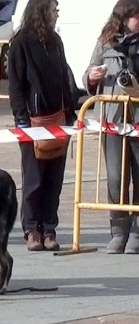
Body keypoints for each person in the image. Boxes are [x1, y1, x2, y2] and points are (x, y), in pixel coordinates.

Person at [8, 0, 75, 251]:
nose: (57, 14)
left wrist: (70, 112)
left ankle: (49, 229)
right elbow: (15, 85)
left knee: (54, 179)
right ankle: (31, 229)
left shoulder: (56, 42)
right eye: (54, 9)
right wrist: (21, 118)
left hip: (58, 120)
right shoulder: (21, 42)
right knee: (34, 179)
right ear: (42, 11)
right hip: (33, 121)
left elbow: (64, 78)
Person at [83, 0, 139, 254]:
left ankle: (136, 233)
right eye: (137, 15)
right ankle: (118, 232)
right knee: (116, 178)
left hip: (137, 121)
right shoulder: (106, 40)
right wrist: (92, 78)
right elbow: (87, 73)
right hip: (113, 122)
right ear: (124, 16)